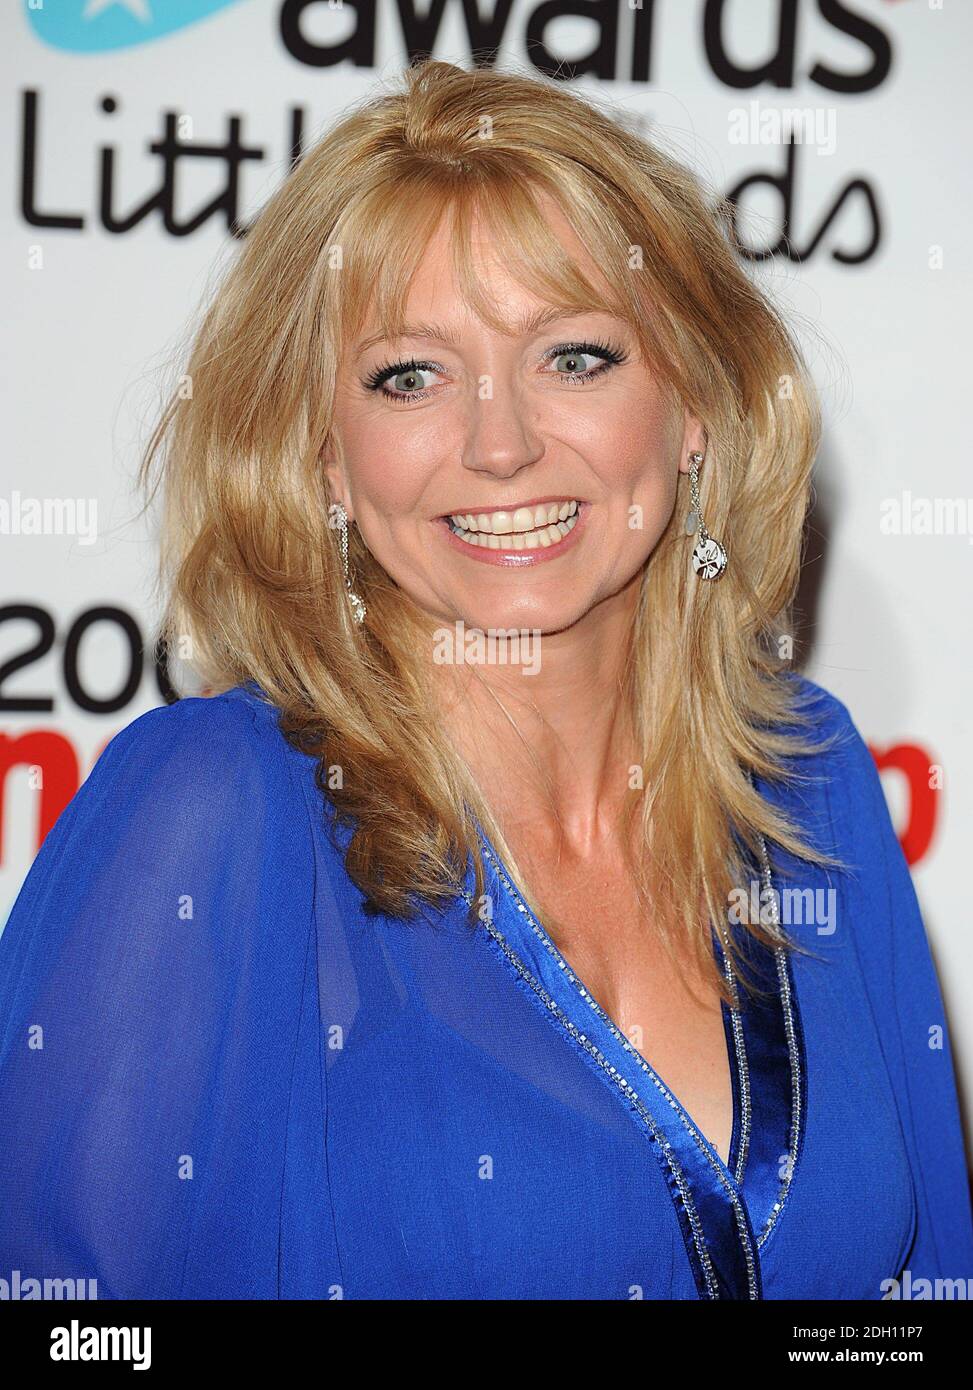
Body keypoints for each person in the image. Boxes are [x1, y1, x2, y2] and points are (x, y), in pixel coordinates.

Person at [0, 58, 970, 1301]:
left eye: (574, 356)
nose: (500, 442)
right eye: (410, 375)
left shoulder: (805, 777)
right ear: (324, 461)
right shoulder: (212, 808)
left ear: (695, 414)